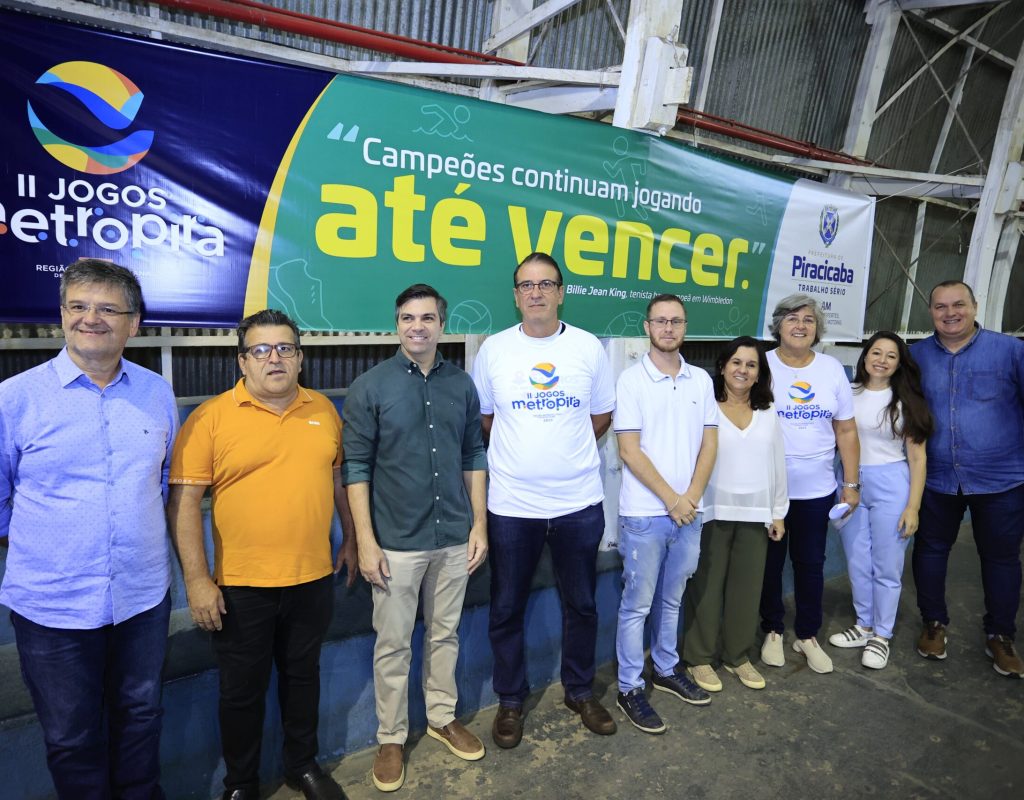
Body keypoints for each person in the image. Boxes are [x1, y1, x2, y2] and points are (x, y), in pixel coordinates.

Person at [0, 258, 178, 799]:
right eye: (78, 307)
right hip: (53, 608)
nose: (91, 319)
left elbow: (164, 482)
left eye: (107, 309)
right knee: (72, 737)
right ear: (61, 316)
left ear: (134, 323)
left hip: (142, 599)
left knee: (141, 717)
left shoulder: (157, 393)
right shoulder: (15, 399)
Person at [167, 309, 356, 800]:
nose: (274, 358)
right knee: (241, 692)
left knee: (303, 679)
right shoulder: (209, 418)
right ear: (242, 361)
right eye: (261, 350)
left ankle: (302, 766)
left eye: (285, 348)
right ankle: (242, 785)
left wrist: (353, 537)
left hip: (312, 578)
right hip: (240, 586)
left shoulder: (323, 410)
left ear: (300, 358)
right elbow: (185, 503)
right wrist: (197, 579)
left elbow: (337, 482)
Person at [343, 285, 488, 792]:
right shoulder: (370, 386)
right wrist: (364, 539)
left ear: (442, 324)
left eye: (427, 318)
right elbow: (355, 467)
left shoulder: (462, 385)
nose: (417, 327)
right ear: (397, 323)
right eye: (408, 318)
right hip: (395, 544)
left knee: (445, 634)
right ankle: (390, 737)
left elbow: (474, 455)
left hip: (453, 537)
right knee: (393, 643)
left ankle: (442, 717)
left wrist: (479, 525)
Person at [471, 252, 617, 748]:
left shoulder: (588, 348)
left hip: (579, 503)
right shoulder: (492, 351)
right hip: (512, 506)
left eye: (545, 284)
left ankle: (579, 689)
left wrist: (564, 453)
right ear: (515, 295)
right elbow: (487, 421)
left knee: (582, 603)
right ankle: (510, 700)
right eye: (525, 285)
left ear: (560, 292)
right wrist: (525, 454)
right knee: (506, 606)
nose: (535, 293)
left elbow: (601, 416)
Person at [612, 294, 717, 734]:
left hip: (688, 514)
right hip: (645, 516)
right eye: (661, 321)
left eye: (676, 321)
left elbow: (710, 442)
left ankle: (668, 668)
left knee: (672, 599)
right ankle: (630, 686)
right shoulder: (631, 381)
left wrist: (690, 496)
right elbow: (628, 449)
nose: (669, 328)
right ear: (647, 327)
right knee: (636, 605)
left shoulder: (701, 381)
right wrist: (672, 500)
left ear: (685, 326)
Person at [910, 281, 1024, 677]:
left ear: (975, 306)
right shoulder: (915, 357)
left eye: (958, 304)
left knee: (1001, 558)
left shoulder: (1011, 352)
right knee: (930, 551)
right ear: (931, 312)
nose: (950, 313)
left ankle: (1000, 635)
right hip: (937, 478)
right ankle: (934, 623)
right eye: (940, 306)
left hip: (1001, 479)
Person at [760, 293, 860, 674]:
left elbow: (846, 429)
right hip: (769, 487)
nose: (800, 325)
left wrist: (851, 483)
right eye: (791, 318)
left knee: (810, 564)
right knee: (770, 564)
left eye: (808, 320)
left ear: (817, 328)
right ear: (778, 326)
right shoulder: (762, 366)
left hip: (817, 489)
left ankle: (807, 635)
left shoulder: (832, 369)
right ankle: (771, 629)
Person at [683, 337, 787, 692]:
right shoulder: (705, 407)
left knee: (747, 589)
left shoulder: (768, 413)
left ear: (760, 374)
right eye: (736, 362)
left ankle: (737, 655)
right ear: (723, 366)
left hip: (756, 512)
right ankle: (699, 658)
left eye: (751, 365)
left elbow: (777, 465)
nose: (743, 370)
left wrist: (778, 513)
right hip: (710, 509)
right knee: (707, 589)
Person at [827, 332, 931, 669]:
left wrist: (912, 506)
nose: (882, 360)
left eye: (891, 355)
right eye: (876, 352)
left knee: (887, 564)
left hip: (891, 483)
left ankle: (881, 635)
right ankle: (864, 624)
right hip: (851, 483)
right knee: (857, 560)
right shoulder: (847, 393)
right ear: (864, 356)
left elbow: (917, 457)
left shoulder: (906, 400)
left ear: (900, 363)